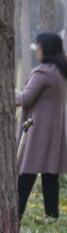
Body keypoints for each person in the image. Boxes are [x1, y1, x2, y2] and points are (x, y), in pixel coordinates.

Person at [16, 32, 67, 219]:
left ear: (46, 48)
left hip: (37, 129)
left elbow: (25, 98)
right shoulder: (61, 71)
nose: (36, 49)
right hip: (54, 131)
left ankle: (15, 213)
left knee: (26, 172)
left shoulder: (43, 72)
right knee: (49, 173)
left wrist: (8, 91)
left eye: (38, 45)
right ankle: (52, 215)